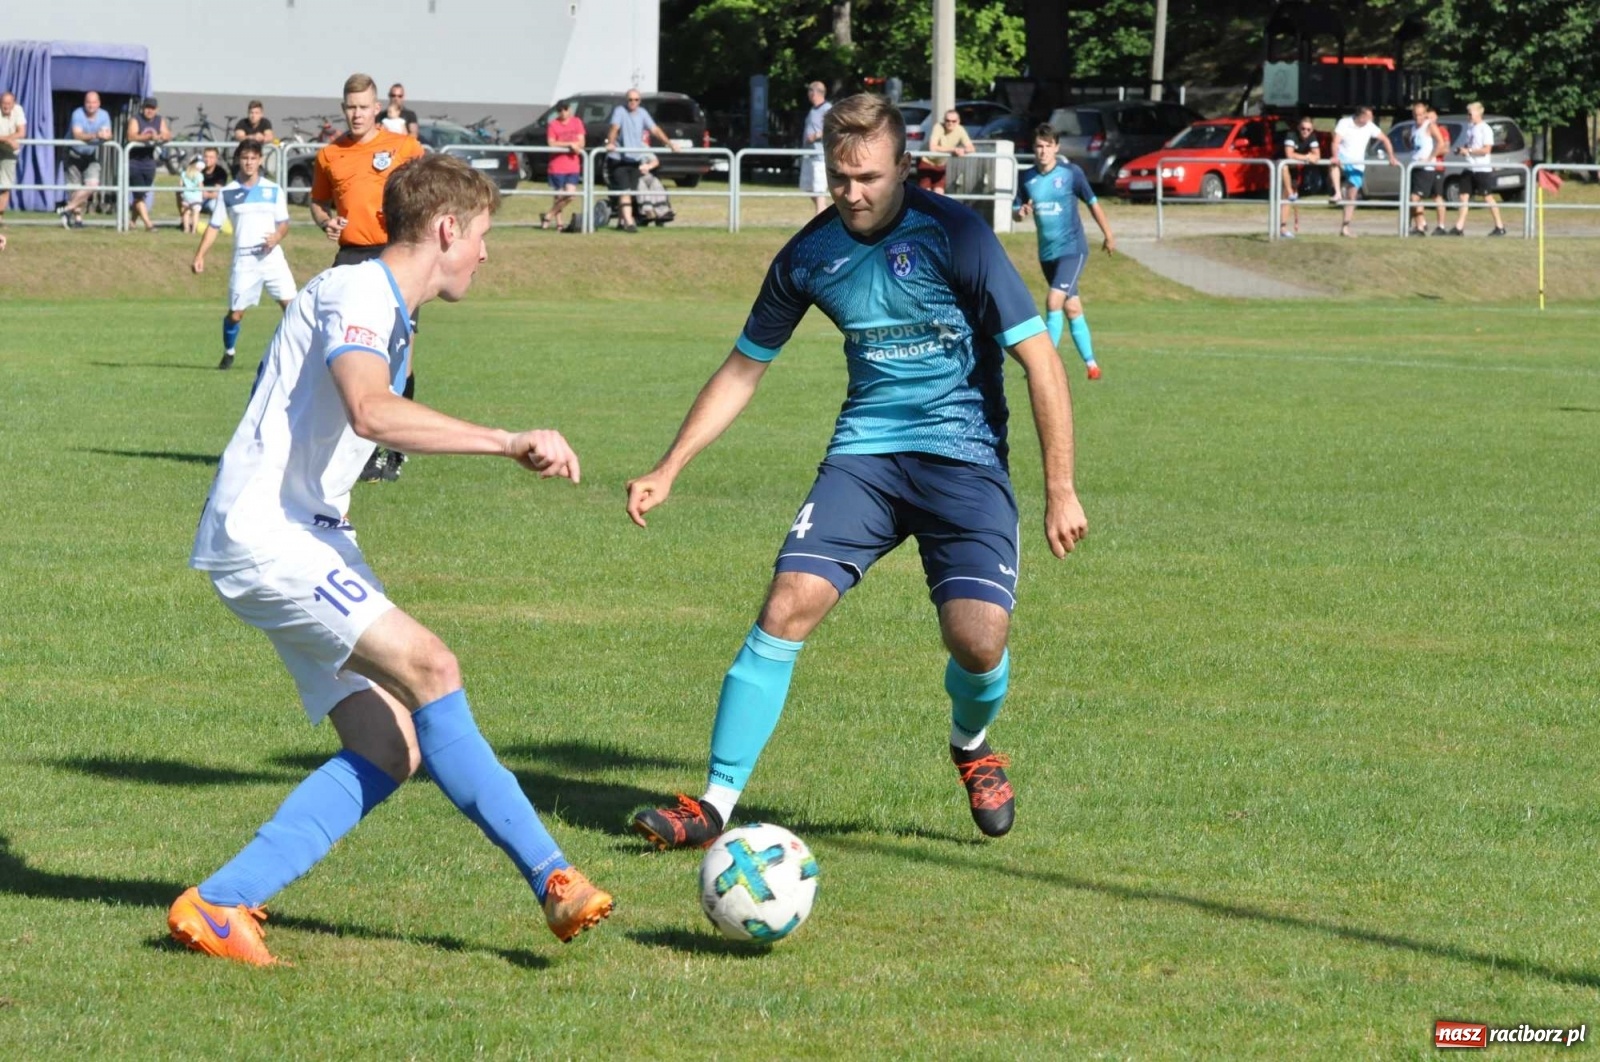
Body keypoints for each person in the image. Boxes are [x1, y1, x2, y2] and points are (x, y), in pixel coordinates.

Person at [168, 153, 613, 966]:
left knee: (391, 746)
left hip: (305, 532)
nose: (485, 253)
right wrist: (507, 440)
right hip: (273, 533)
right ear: (448, 229)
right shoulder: (361, 291)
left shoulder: (383, 303)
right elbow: (370, 410)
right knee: (433, 667)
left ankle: (222, 903)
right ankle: (554, 878)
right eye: (482, 235)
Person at [626, 94, 1088, 851]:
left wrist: (1059, 490)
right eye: (839, 178)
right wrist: (670, 465)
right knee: (786, 607)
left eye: (869, 177)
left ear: (905, 166)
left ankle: (971, 746)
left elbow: (1040, 362)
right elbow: (745, 368)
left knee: (978, 641)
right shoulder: (809, 255)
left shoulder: (958, 236)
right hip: (866, 458)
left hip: (964, 460)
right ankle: (713, 803)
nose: (853, 194)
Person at [311, 72, 426, 481]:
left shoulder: (403, 147)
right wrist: (326, 221)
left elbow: (428, 189)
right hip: (349, 258)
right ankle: (348, 448)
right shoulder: (330, 155)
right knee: (346, 354)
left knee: (400, 355)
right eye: (350, 107)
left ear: (377, 108)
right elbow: (318, 203)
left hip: (394, 256)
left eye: (363, 107)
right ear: (343, 108)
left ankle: (393, 448)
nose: (356, 114)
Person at [1013, 124, 1114, 381]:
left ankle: (1046, 362)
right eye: (1039, 146)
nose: (1043, 151)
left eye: (1048, 146)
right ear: (1033, 148)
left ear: (1056, 147)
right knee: (1072, 309)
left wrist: (1108, 234)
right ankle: (1092, 365)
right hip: (1047, 255)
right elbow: (1017, 210)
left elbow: (1093, 203)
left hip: (1073, 249)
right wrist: (1021, 213)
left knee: (1053, 301)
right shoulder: (1026, 177)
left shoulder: (1071, 174)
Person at [192, 141, 296, 370]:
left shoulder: (273, 190)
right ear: (239, 160)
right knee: (236, 314)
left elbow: (284, 223)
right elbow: (214, 226)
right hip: (245, 260)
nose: (249, 163)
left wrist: (277, 237)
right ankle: (229, 351)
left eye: (253, 158)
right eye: (245, 158)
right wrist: (200, 255)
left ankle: (295, 357)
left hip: (271, 258)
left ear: (260, 160)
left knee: (293, 308)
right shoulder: (228, 192)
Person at [604, 90, 679, 233]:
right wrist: (611, 143)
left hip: (634, 160)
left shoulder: (643, 113)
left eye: (636, 100)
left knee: (630, 192)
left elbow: (655, 130)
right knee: (625, 191)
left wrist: (669, 144)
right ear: (626, 100)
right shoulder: (620, 111)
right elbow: (614, 128)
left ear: (640, 101)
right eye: (630, 99)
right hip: (619, 159)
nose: (633, 102)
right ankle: (630, 223)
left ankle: (622, 221)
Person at [1330, 105, 1395, 238]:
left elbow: (1385, 139)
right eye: (1368, 116)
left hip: (1358, 163)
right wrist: (1335, 156)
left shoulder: (1370, 126)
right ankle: (1337, 193)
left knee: (1352, 196)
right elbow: (1335, 142)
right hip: (1343, 157)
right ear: (1361, 116)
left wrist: (1392, 157)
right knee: (1333, 164)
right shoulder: (1345, 123)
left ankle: (1345, 227)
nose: (1371, 119)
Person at [1451, 102, 1507, 237]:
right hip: (1469, 167)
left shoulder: (1485, 129)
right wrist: (1461, 150)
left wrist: (1469, 151)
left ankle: (1500, 226)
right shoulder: (1470, 128)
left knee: (1488, 197)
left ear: (1478, 113)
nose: (1468, 116)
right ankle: (1459, 227)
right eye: (1467, 113)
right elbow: (1469, 144)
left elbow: (1486, 150)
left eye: (1470, 113)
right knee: (1463, 196)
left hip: (1482, 168)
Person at [61, 91, 113, 228]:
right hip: (72, 152)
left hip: (89, 155)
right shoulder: (77, 114)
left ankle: (66, 209)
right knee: (75, 188)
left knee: (92, 184)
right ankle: (78, 219)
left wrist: (105, 136)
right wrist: (96, 134)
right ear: (84, 103)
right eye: (88, 102)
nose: (91, 105)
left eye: (94, 102)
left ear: (99, 103)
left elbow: (109, 134)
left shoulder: (104, 115)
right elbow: (77, 134)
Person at [125, 98, 172, 233]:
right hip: (134, 161)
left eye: (152, 108)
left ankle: (132, 222)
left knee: (141, 195)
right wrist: (148, 137)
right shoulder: (135, 119)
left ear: (156, 109)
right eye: (147, 107)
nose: (149, 110)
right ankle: (148, 224)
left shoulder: (159, 120)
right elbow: (131, 136)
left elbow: (168, 134)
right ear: (142, 108)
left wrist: (163, 136)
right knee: (138, 194)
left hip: (149, 162)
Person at [1405, 101, 1450, 237]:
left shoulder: (1429, 126)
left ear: (1425, 114)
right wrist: (1406, 139)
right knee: (1413, 198)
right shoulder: (1413, 127)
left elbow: (1441, 144)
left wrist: (1430, 158)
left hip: (1427, 168)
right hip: (1415, 166)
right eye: (1415, 115)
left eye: (1420, 115)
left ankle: (1421, 227)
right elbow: (1412, 146)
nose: (1418, 118)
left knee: (1415, 197)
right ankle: (1420, 226)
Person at [541, 99, 584, 230]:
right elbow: (551, 143)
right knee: (559, 196)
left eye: (565, 109)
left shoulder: (577, 122)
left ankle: (548, 215)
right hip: (557, 166)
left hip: (572, 166)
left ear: (569, 109)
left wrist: (576, 145)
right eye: (560, 110)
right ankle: (559, 223)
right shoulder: (553, 125)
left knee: (570, 195)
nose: (563, 112)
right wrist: (569, 144)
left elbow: (581, 142)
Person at [1279, 116, 1320, 238]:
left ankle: (1283, 229)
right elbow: (1289, 154)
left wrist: (1309, 156)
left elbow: (1317, 156)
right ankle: (1290, 192)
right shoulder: (1291, 135)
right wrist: (1307, 157)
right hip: (1280, 165)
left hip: (1294, 168)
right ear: (1298, 128)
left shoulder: (1312, 137)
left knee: (1287, 199)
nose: (1305, 131)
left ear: (1312, 130)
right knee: (1287, 193)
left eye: (1308, 129)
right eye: (1303, 128)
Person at [918, 109, 974, 194]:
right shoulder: (938, 127)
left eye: (953, 121)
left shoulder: (960, 130)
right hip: (926, 161)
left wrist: (962, 150)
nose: (950, 123)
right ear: (944, 120)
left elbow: (971, 148)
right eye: (947, 120)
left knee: (940, 193)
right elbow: (933, 148)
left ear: (958, 121)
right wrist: (953, 149)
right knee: (926, 194)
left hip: (941, 164)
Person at [799, 82, 832, 214]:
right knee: (809, 188)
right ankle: (825, 210)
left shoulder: (827, 108)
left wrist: (817, 135)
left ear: (815, 93)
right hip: (808, 154)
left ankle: (820, 216)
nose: (809, 95)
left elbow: (833, 127)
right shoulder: (813, 110)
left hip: (819, 156)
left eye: (810, 92)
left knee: (819, 190)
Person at [0, 92, 26, 225]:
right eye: (4, 103)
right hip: (8, 146)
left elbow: (22, 132)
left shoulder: (18, 110)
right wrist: (9, 139)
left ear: (14, 103)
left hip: (9, 152)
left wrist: (8, 140)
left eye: (9, 103)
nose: (6, 106)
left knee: (5, 186)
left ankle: (0, 218)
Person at [179, 156, 205, 234]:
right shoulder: (199, 175)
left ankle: (186, 229)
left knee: (186, 213)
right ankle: (193, 230)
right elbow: (201, 186)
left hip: (186, 196)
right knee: (195, 213)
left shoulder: (184, 174)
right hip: (196, 197)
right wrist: (203, 193)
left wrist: (181, 193)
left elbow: (180, 185)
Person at [200, 146, 231, 211]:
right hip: (196, 198)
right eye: (206, 156)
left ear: (216, 159)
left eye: (211, 157)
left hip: (211, 200)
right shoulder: (199, 169)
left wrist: (205, 194)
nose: (208, 159)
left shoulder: (221, 173)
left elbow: (216, 194)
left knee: (214, 205)